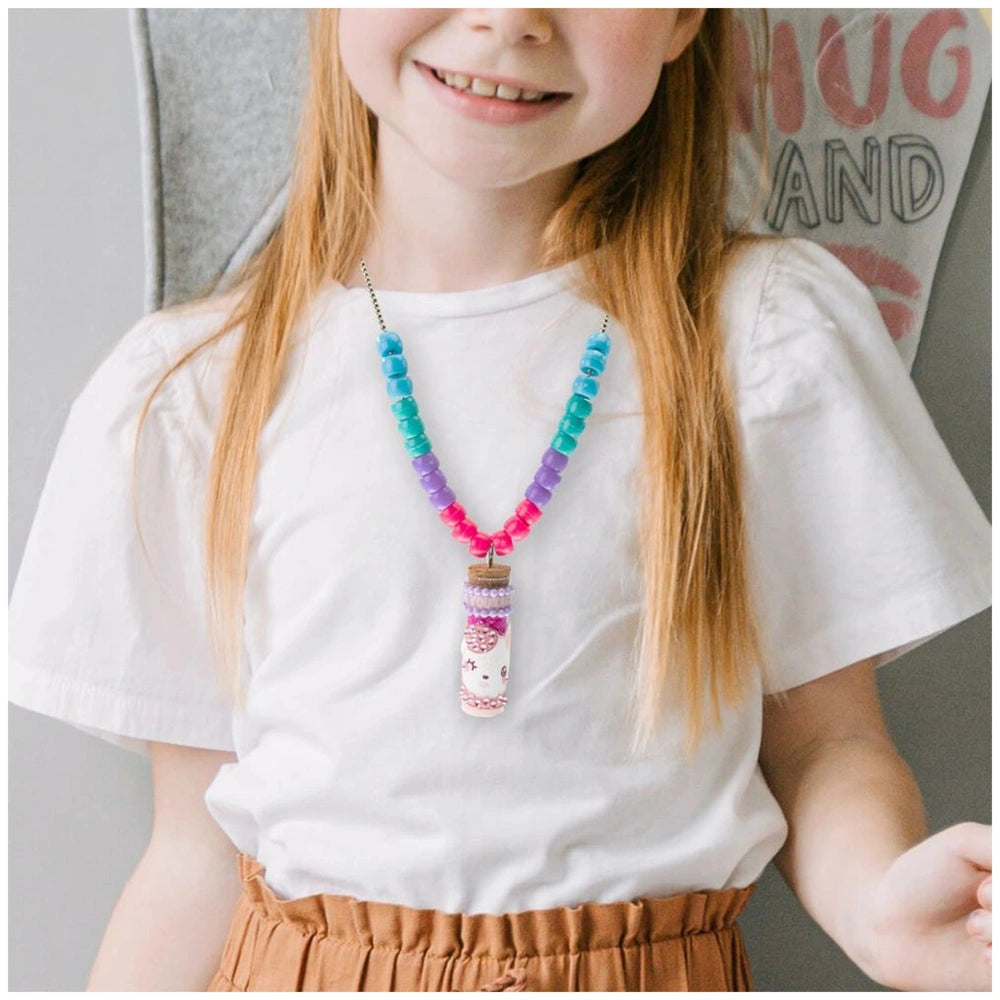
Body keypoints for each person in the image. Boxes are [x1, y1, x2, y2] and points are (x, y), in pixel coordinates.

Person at [8, 9, 992, 992]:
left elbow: (828, 741)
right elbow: (193, 853)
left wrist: (874, 910)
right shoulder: (198, 393)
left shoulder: (761, 340)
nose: (507, 18)